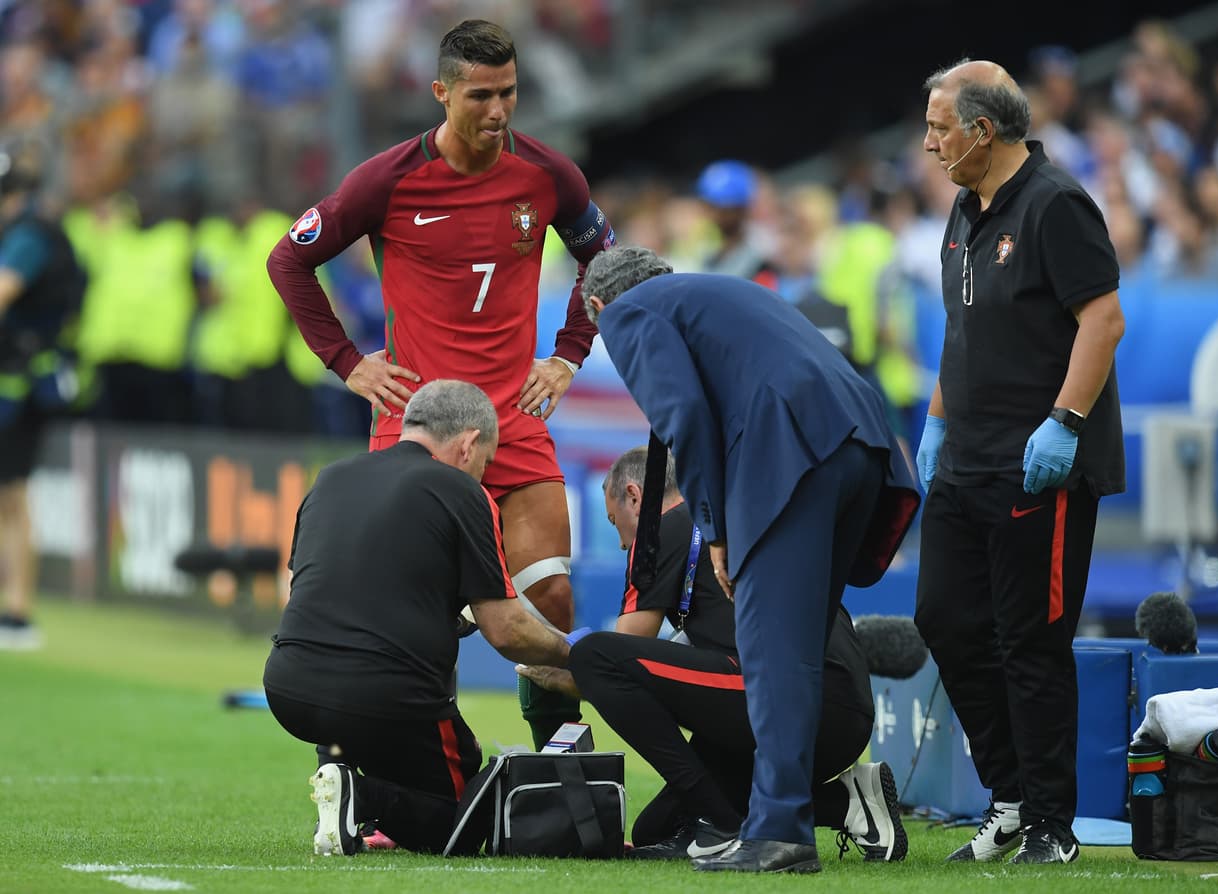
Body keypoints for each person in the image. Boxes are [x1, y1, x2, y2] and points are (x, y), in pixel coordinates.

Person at [266, 19, 617, 749]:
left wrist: (568, 354)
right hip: (418, 423)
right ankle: (402, 760)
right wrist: (347, 362)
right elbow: (287, 261)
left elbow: (605, 260)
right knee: (409, 612)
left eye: (509, 92)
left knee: (551, 596)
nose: (498, 110)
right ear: (441, 92)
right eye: (481, 95)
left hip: (512, 417)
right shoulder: (387, 179)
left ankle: (559, 763)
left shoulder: (549, 175)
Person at [579, 246, 920, 873]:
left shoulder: (630, 312)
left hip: (792, 452)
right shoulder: (718, 294)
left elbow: (682, 414)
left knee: (773, 656)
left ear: (600, 306)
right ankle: (783, 816)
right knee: (798, 652)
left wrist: (714, 527)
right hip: (864, 444)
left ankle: (779, 832)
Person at [913, 59, 1126, 865]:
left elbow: (1102, 320)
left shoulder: (1055, 204)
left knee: (1031, 642)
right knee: (944, 619)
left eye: (939, 128)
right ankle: (1007, 796)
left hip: (1040, 467)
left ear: (982, 130)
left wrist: (1064, 422)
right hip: (966, 458)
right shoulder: (964, 208)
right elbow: (960, 327)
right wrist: (937, 422)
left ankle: (1050, 823)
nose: (928, 144)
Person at [517, 445, 908, 863]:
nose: (621, 543)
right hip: (837, 708)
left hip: (800, 700)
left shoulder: (663, 528)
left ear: (635, 496)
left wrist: (567, 668)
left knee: (595, 655)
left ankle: (718, 824)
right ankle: (849, 803)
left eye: (617, 524)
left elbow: (620, 652)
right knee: (657, 829)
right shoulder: (730, 520)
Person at [262, 379, 577, 856]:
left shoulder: (332, 477)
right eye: (486, 462)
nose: (484, 473)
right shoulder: (462, 491)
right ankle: (358, 794)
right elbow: (507, 630)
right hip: (381, 694)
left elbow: (307, 590)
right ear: (469, 443)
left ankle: (337, 775)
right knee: (461, 824)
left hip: (289, 688)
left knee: (358, 713)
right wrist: (573, 654)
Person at [0, 139, 85, 650]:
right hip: (21, 381)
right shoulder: (30, 229)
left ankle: (18, 611)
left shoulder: (28, 236)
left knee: (11, 494)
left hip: (19, 386)